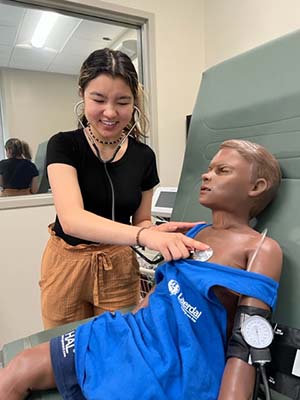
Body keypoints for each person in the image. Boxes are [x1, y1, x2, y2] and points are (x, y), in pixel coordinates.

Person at [0, 139, 283, 399]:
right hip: (132, 333)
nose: (206, 175)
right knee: (20, 366)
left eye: (222, 170)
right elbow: (159, 292)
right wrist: (125, 333)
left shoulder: (261, 250)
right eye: (209, 169)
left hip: (176, 360)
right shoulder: (194, 232)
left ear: (255, 187)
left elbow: (245, 342)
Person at [40, 48, 208, 329]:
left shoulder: (143, 156)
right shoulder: (64, 145)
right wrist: (144, 235)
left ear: (134, 103)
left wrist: (154, 230)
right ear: (82, 94)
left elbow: (140, 219)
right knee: (64, 350)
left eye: (122, 101)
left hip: (118, 264)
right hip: (66, 264)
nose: (110, 112)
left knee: (118, 348)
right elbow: (71, 219)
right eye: (99, 99)